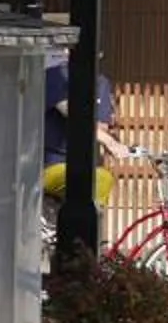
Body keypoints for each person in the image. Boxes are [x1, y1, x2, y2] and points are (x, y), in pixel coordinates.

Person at [41, 50, 135, 217]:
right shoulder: (56, 74)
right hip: (49, 164)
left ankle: (86, 230)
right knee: (98, 180)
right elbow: (73, 114)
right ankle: (84, 232)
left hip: (85, 164)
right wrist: (110, 142)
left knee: (100, 180)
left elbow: (102, 123)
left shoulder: (101, 83)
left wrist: (109, 139)